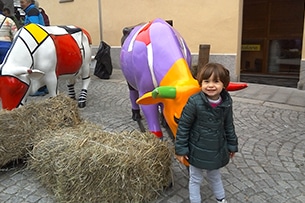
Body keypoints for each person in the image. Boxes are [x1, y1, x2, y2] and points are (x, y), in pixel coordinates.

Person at [175, 63, 238, 203]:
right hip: (197, 148)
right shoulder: (194, 102)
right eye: (206, 81)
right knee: (195, 179)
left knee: (215, 176)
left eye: (216, 81)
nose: (211, 85)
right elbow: (184, 126)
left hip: (216, 148)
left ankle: (221, 200)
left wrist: (232, 145)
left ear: (224, 84)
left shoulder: (226, 102)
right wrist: (180, 149)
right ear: (201, 83)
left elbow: (228, 125)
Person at [20, 0, 47, 96]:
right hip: (39, 42)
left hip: (36, 43)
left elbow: (34, 28)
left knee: (36, 65)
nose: (20, 4)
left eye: (22, 2)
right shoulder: (32, 11)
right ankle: (44, 87)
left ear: (28, 2)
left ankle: (39, 89)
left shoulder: (32, 12)